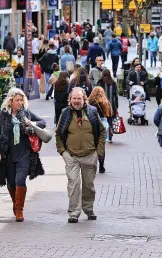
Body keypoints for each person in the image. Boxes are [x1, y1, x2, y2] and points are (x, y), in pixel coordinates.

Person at [0, 88, 46, 222]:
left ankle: (19, 209)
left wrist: (31, 123)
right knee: (11, 183)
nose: (20, 102)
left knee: (20, 180)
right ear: (10, 101)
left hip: (25, 154)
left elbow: (43, 122)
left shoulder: (26, 113)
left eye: (22, 100)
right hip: (8, 155)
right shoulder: (2, 115)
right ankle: (16, 204)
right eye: (17, 100)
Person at [55, 87, 105, 223]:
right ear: (70, 99)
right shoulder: (65, 113)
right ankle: (74, 213)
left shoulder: (92, 112)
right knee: (74, 183)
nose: (76, 101)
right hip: (71, 156)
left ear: (84, 99)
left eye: (79, 98)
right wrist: (63, 152)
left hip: (90, 155)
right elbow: (58, 134)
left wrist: (98, 152)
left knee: (88, 185)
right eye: (74, 98)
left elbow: (102, 131)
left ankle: (88, 209)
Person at [88, 86, 112, 173]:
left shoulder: (90, 102)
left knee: (92, 145)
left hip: (92, 124)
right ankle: (101, 165)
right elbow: (110, 115)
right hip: (103, 124)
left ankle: (93, 163)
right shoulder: (106, 103)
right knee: (102, 146)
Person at [97, 69, 118, 143]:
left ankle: (103, 136)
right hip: (111, 106)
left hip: (101, 105)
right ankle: (110, 137)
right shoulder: (113, 83)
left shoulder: (100, 82)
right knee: (110, 121)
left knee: (102, 121)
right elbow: (115, 95)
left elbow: (97, 94)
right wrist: (116, 106)